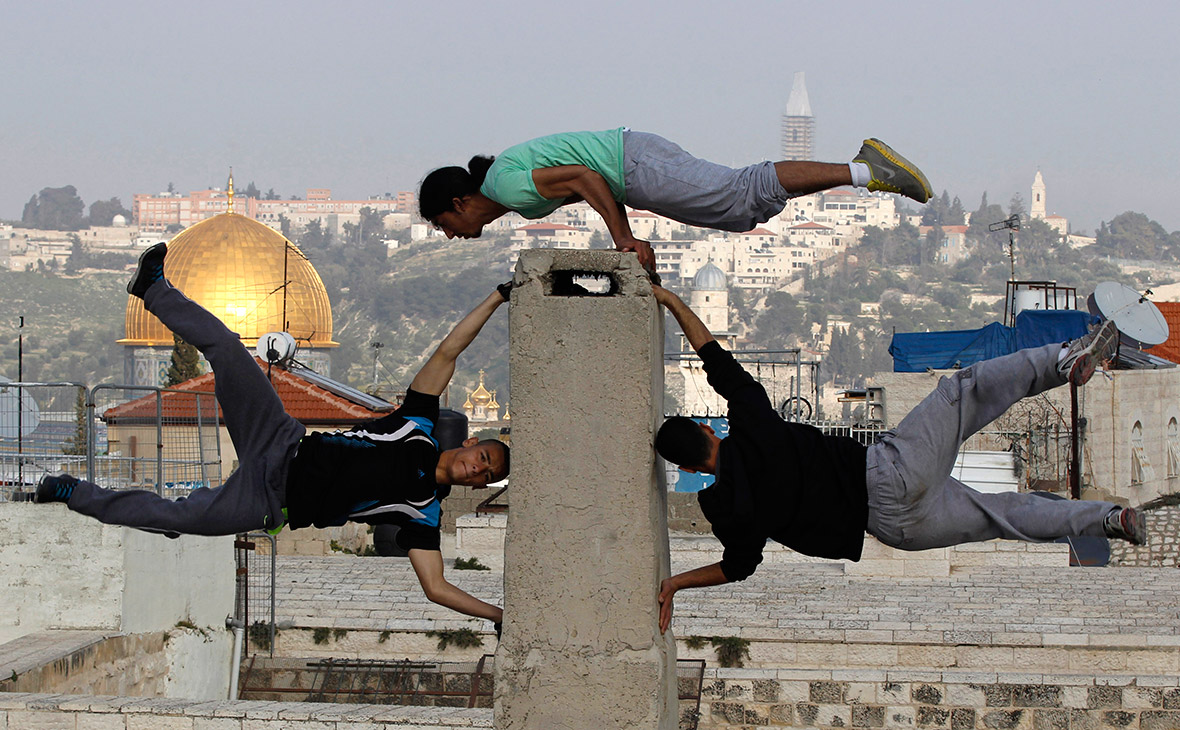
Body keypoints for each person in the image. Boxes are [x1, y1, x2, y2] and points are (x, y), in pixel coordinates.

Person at [36, 242, 512, 628]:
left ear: (475, 486)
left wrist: (499, 616)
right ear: (471, 443)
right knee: (228, 350)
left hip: (269, 500)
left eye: (485, 475)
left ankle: (70, 491)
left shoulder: (423, 514)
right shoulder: (418, 427)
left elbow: (437, 588)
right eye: (485, 455)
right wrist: (496, 297)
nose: (479, 468)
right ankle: (153, 288)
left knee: (175, 515)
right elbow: (448, 352)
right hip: (282, 441)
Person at [650, 285, 1146, 634]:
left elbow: (738, 567)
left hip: (896, 530)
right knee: (964, 390)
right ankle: (1062, 361)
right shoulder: (752, 424)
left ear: (691, 470)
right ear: (704, 428)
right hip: (888, 472)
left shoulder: (725, 510)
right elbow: (713, 355)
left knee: (1006, 516)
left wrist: (676, 582)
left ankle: (1108, 521)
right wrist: (672, 301)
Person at [419, 129, 933, 269]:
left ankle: (867, 169)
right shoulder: (506, 186)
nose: (447, 234)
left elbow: (584, 177)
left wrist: (623, 239)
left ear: (459, 202)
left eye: (442, 222)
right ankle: (866, 168)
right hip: (634, 164)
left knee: (740, 190)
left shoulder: (503, 187)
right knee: (741, 214)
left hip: (632, 165)